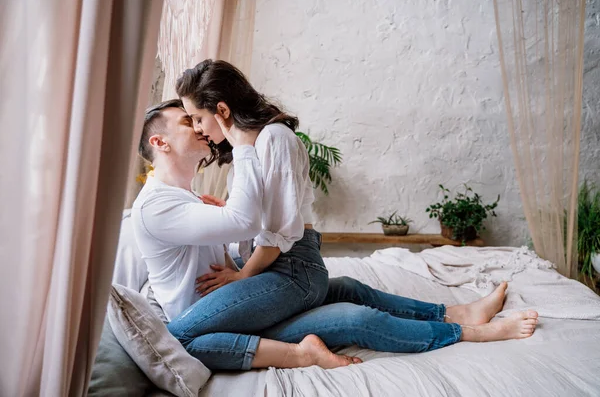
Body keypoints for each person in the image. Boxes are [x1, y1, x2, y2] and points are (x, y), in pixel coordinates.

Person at [131, 97, 539, 371]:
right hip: (206, 323)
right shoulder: (157, 206)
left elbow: (235, 232)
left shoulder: (183, 198)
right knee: (348, 318)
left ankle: (456, 311)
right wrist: (241, 144)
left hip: (230, 307)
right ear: (159, 142)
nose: (201, 128)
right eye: (189, 122)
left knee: (342, 285)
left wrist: (238, 259)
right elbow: (243, 222)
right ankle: (469, 331)